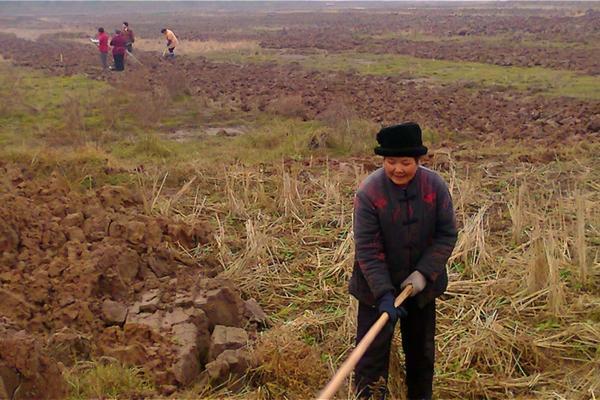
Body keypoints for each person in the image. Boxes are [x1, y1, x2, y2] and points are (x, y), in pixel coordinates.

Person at [349, 122, 457, 400]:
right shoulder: (369, 193)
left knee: (421, 354)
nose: (398, 169)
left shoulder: (435, 187)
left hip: (421, 288)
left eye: (406, 162)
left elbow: (446, 235)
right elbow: (368, 250)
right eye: (391, 161)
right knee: (371, 358)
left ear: (419, 161)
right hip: (376, 289)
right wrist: (384, 294)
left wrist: (423, 274)